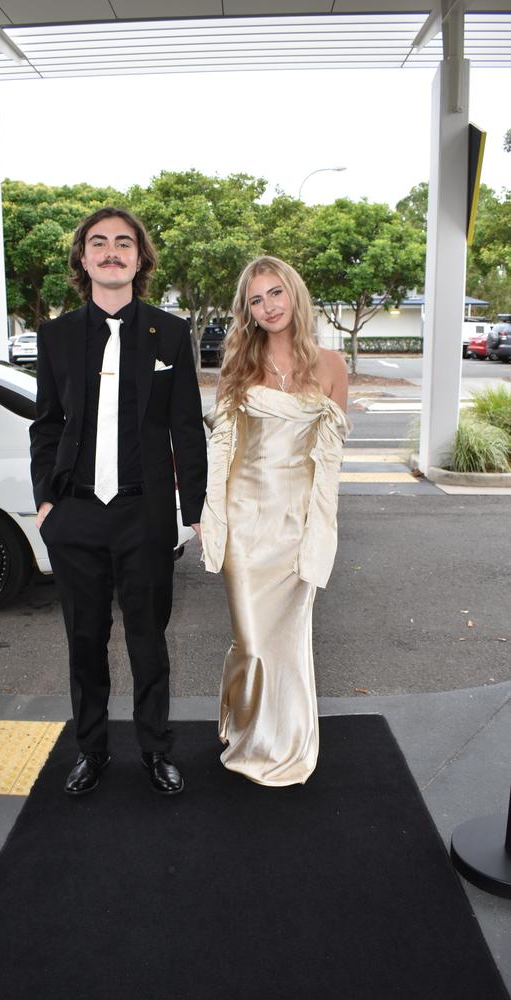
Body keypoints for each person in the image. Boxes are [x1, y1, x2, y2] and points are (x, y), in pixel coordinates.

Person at [30, 207, 207, 796]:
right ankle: (92, 749)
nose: (111, 252)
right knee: (84, 641)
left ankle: (156, 749)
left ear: (140, 258)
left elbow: (187, 428)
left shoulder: (171, 333)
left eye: (123, 243)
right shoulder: (54, 337)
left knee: (148, 641)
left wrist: (192, 512)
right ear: (82, 258)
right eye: (99, 243)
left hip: (145, 514)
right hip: (76, 513)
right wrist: (47, 503)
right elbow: (47, 425)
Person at [200, 256, 350, 787]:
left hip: (295, 521)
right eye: (257, 299)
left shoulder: (331, 366)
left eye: (276, 293)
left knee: (287, 640)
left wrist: (322, 528)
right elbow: (222, 447)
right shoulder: (238, 365)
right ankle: (245, 730)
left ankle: (286, 742)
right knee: (253, 641)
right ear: (248, 310)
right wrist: (211, 514)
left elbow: (328, 461)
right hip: (245, 519)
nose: (269, 307)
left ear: (295, 295)